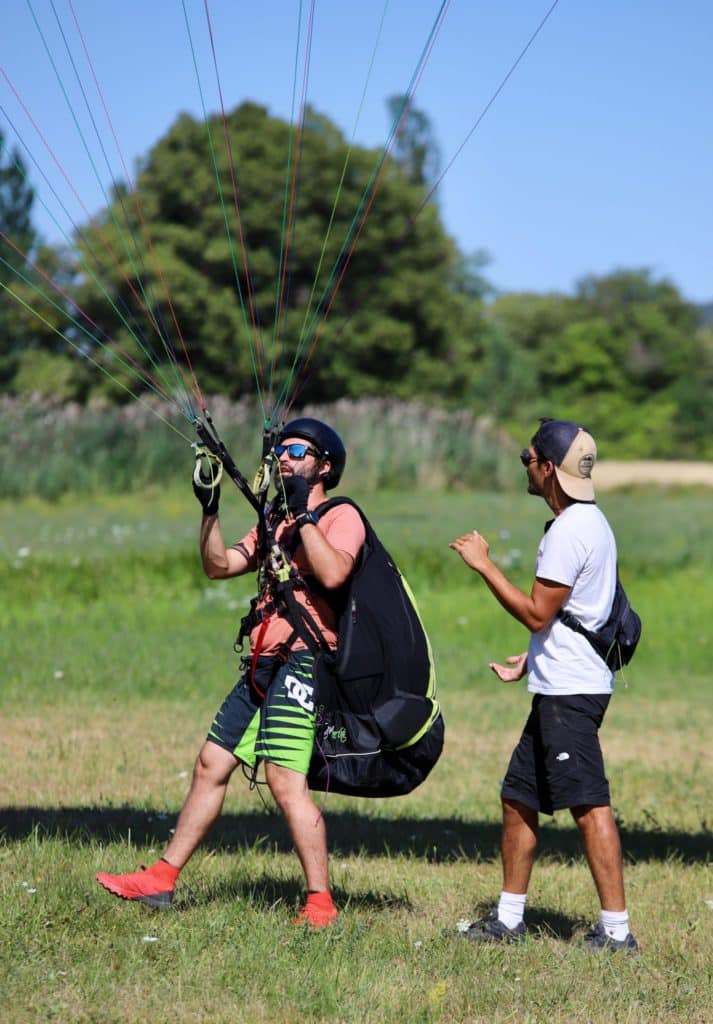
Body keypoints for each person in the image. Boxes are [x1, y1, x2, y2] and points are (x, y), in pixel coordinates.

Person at [96, 417, 366, 928]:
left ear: (325, 465)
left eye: (297, 450)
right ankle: (161, 879)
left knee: (285, 780)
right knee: (209, 764)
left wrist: (303, 510)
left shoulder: (340, 514)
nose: (283, 456)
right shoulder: (275, 520)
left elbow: (333, 573)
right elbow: (219, 565)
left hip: (305, 663)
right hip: (262, 664)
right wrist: (210, 508)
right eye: (281, 448)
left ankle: (320, 904)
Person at [449, 418, 638, 953]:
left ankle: (617, 933)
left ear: (549, 469)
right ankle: (509, 920)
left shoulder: (568, 532)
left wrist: (483, 566)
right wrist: (534, 662)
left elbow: (537, 613)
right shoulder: (590, 522)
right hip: (561, 682)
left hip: (570, 694)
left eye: (527, 458)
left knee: (588, 804)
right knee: (518, 797)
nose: (524, 465)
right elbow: (573, 615)